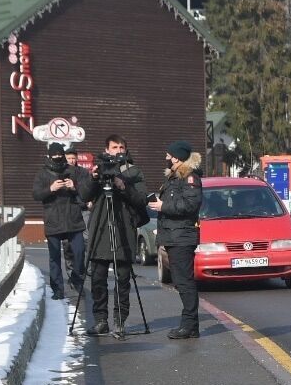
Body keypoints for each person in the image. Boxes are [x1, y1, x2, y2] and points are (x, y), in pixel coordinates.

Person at [78, 134, 147, 339]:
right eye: (114, 147)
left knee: (122, 279)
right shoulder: (97, 169)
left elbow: (141, 199)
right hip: (100, 228)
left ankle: (120, 321)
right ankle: (100, 321)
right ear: (106, 150)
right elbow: (83, 196)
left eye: (121, 147)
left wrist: (123, 185)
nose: (118, 150)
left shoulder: (133, 171)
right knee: (97, 279)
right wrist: (93, 178)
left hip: (123, 229)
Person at [152, 140, 204, 339]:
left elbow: (190, 206)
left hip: (182, 236)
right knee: (181, 281)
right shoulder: (174, 178)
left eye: (169, 155)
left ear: (177, 158)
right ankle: (192, 326)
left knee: (184, 282)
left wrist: (163, 206)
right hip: (174, 236)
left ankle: (188, 324)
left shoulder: (190, 178)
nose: (166, 158)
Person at [32, 142, 90, 300]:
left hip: (73, 219)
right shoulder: (42, 173)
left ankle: (77, 280)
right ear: (49, 156)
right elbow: (36, 194)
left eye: (60, 154)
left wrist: (74, 187)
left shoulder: (73, 171)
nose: (58, 157)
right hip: (53, 219)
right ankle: (57, 289)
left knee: (79, 252)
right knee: (54, 257)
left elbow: (86, 193)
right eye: (54, 155)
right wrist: (50, 189)